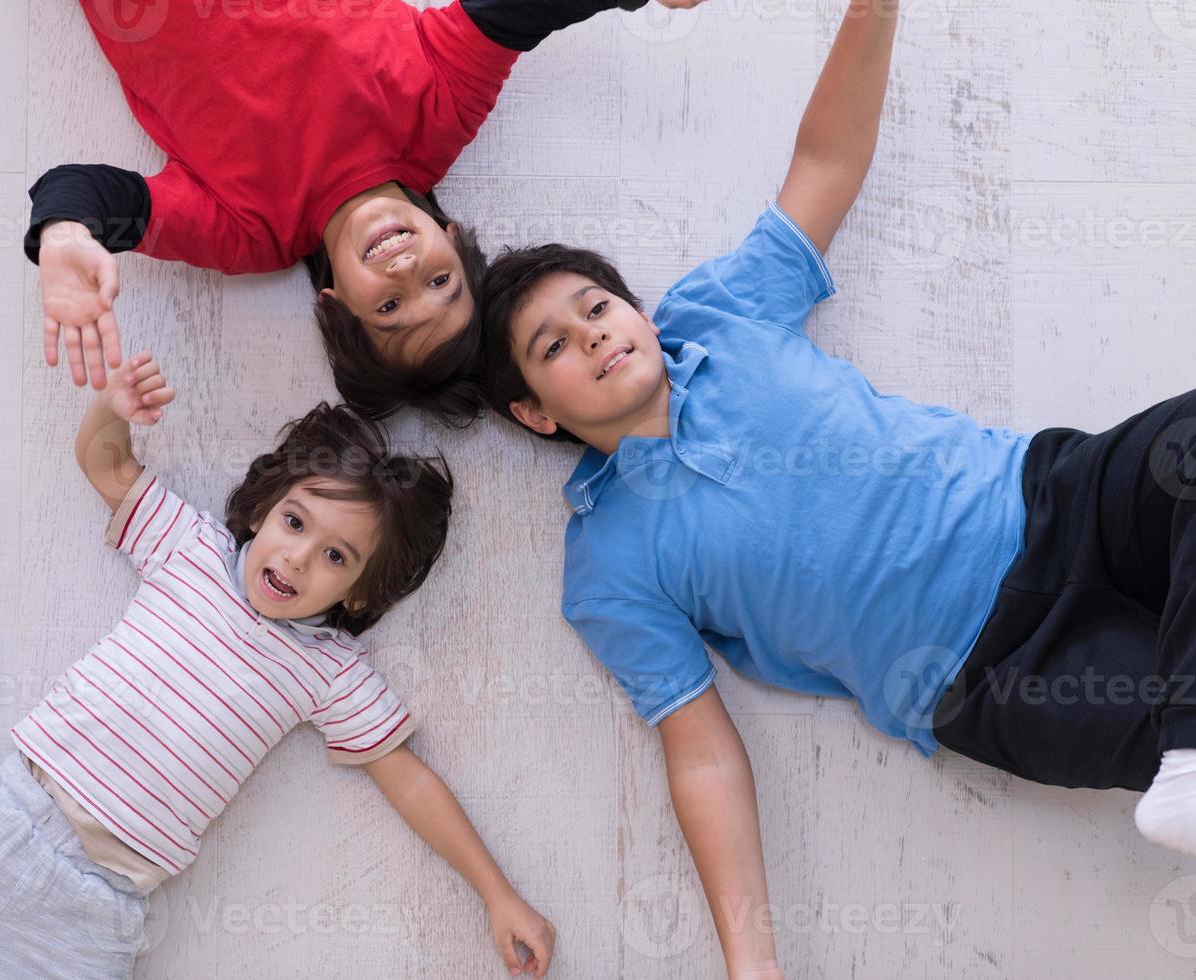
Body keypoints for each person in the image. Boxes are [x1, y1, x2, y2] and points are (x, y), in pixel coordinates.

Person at [480, 0, 1196, 970]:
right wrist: (751, 961)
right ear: (535, 411)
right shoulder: (606, 564)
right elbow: (699, 749)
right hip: (985, 673)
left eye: (596, 305)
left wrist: (872, 7)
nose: (595, 334)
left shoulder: (719, 315)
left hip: (1058, 501)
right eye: (553, 346)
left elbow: (822, 167)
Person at [0, 360, 556, 978]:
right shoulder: (189, 550)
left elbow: (406, 777)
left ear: (363, 592)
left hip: (96, 903)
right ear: (265, 506)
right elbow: (106, 465)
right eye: (294, 522)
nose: (297, 557)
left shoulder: (330, 672)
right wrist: (111, 407)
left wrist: (497, 892)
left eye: (334, 556)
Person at [26, 0, 708, 421]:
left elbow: (89, 191)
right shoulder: (436, 117)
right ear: (452, 236)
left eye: (388, 309)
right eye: (440, 283)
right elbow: (518, 12)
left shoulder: (247, 233)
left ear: (333, 301)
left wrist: (64, 234)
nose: (406, 271)